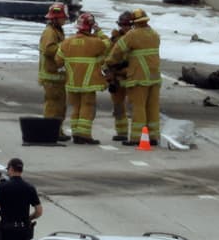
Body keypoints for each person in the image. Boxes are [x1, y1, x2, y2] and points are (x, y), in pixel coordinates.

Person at [107, 8, 161, 146]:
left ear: (134, 22)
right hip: (154, 77)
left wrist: (109, 63)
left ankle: (137, 138)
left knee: (138, 107)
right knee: (152, 107)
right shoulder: (154, 34)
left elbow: (117, 51)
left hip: (139, 77)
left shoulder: (132, 35)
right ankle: (153, 136)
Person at [56, 12, 109, 144]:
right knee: (87, 106)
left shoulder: (66, 43)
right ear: (90, 27)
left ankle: (76, 133)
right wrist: (99, 31)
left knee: (76, 108)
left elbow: (58, 61)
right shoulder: (95, 42)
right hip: (88, 83)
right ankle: (84, 135)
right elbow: (108, 44)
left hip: (72, 82)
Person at [0, 158, 42, 240]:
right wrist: (29, 218)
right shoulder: (29, 187)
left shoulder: (3, 186)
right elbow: (39, 211)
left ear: (11, 168)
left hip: (7, 231)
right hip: (23, 231)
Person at [39, 2, 69, 142]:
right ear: (55, 19)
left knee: (60, 107)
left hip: (57, 77)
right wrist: (64, 48)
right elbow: (49, 50)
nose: (65, 20)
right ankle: (49, 132)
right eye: (63, 17)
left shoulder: (56, 30)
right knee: (52, 107)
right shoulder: (50, 32)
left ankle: (57, 131)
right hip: (51, 77)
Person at [105, 11, 134, 141]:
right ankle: (121, 132)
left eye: (127, 25)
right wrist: (109, 73)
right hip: (117, 78)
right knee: (118, 107)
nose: (124, 27)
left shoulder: (136, 39)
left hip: (132, 77)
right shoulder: (115, 39)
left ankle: (138, 134)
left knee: (135, 107)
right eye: (122, 25)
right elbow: (108, 57)